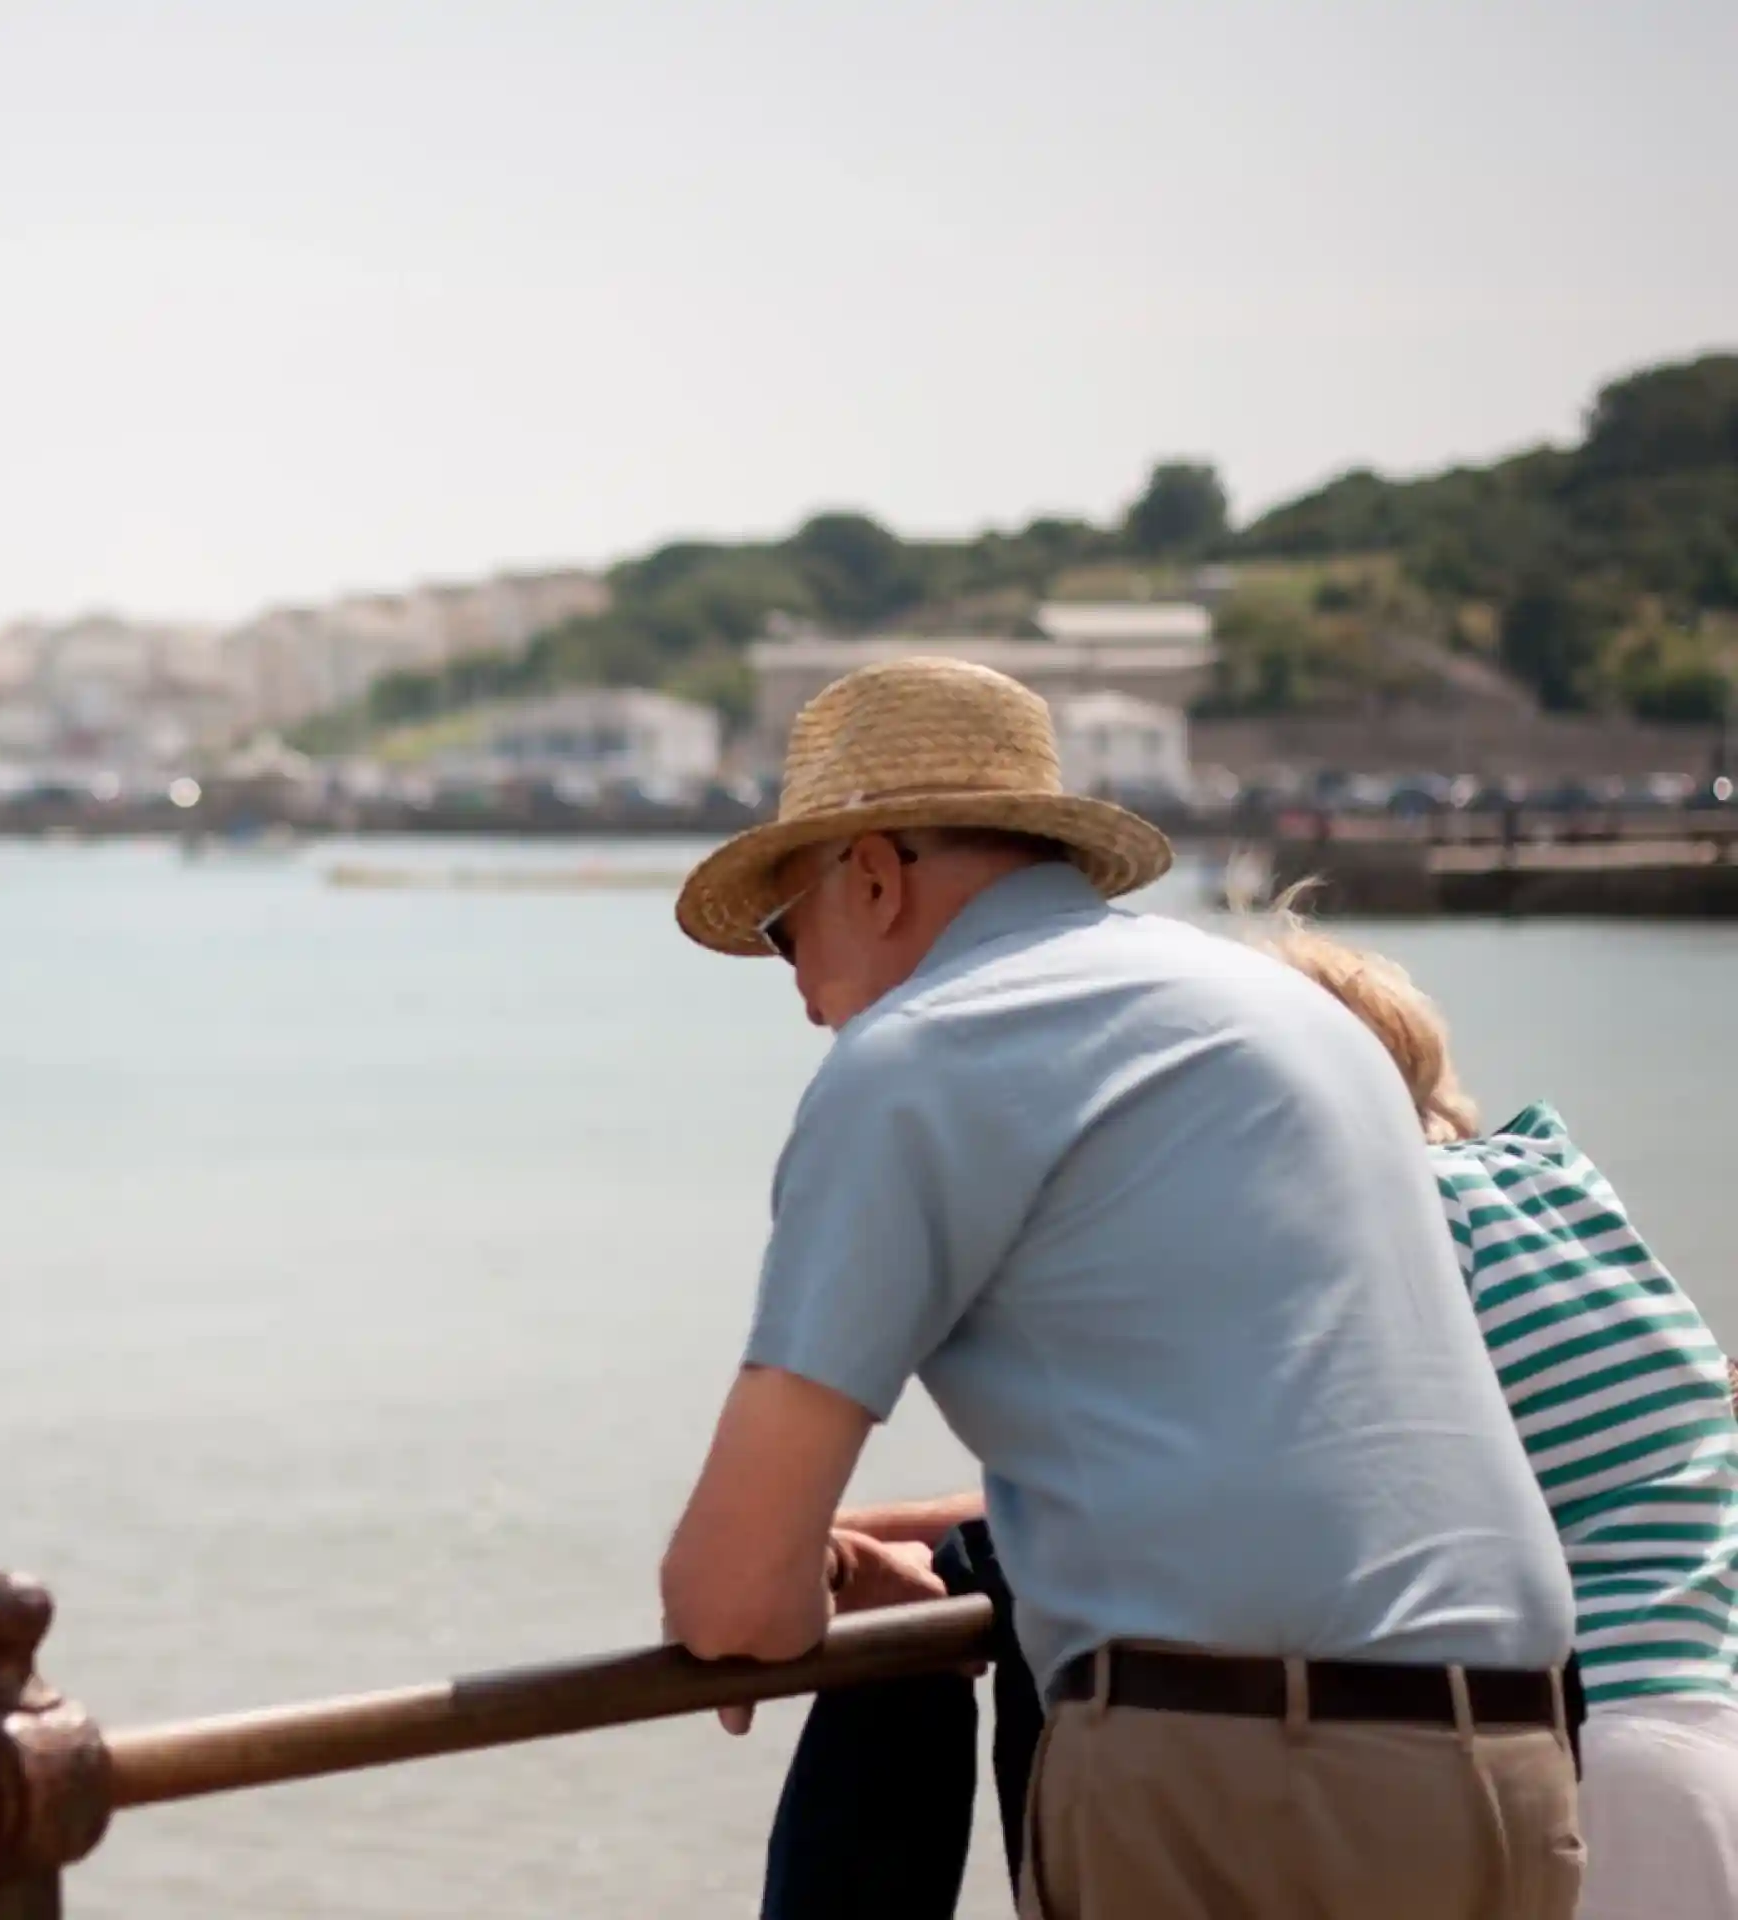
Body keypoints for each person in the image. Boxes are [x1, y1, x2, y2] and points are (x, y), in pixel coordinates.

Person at [655, 655, 1582, 1919]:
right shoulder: (1282, 1013)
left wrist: (837, 1582)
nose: (800, 987)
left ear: (870, 875)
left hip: (1240, 1776)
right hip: (1515, 1761)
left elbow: (728, 1599)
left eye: (782, 931)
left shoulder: (916, 1057)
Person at [763, 913, 1738, 1920]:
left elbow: (1170, 1483)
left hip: (1587, 1743)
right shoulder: (1553, 1196)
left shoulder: (1403, 1222)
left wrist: (818, 1548)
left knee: (1023, 1583)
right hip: (1689, 1734)